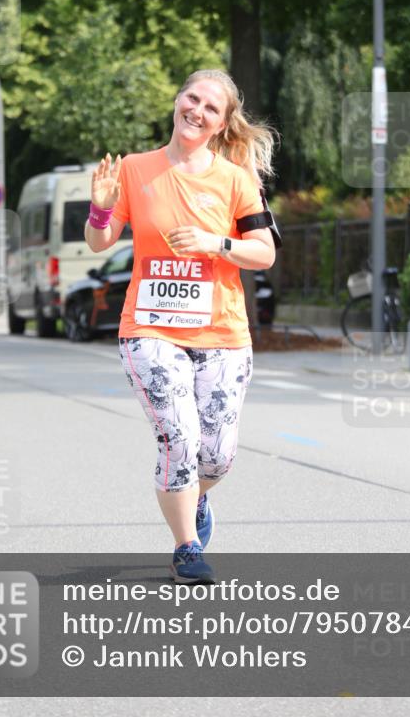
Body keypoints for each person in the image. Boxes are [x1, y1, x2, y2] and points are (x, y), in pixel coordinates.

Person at [85, 69, 276, 583]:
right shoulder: (134, 169)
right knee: (180, 438)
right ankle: (186, 547)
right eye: (193, 98)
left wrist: (217, 243)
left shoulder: (237, 179)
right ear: (177, 99)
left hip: (223, 334)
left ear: (221, 123)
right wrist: (101, 208)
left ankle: (193, 500)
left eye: (211, 108)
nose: (198, 110)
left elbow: (265, 253)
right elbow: (99, 243)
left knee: (217, 456)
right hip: (150, 329)